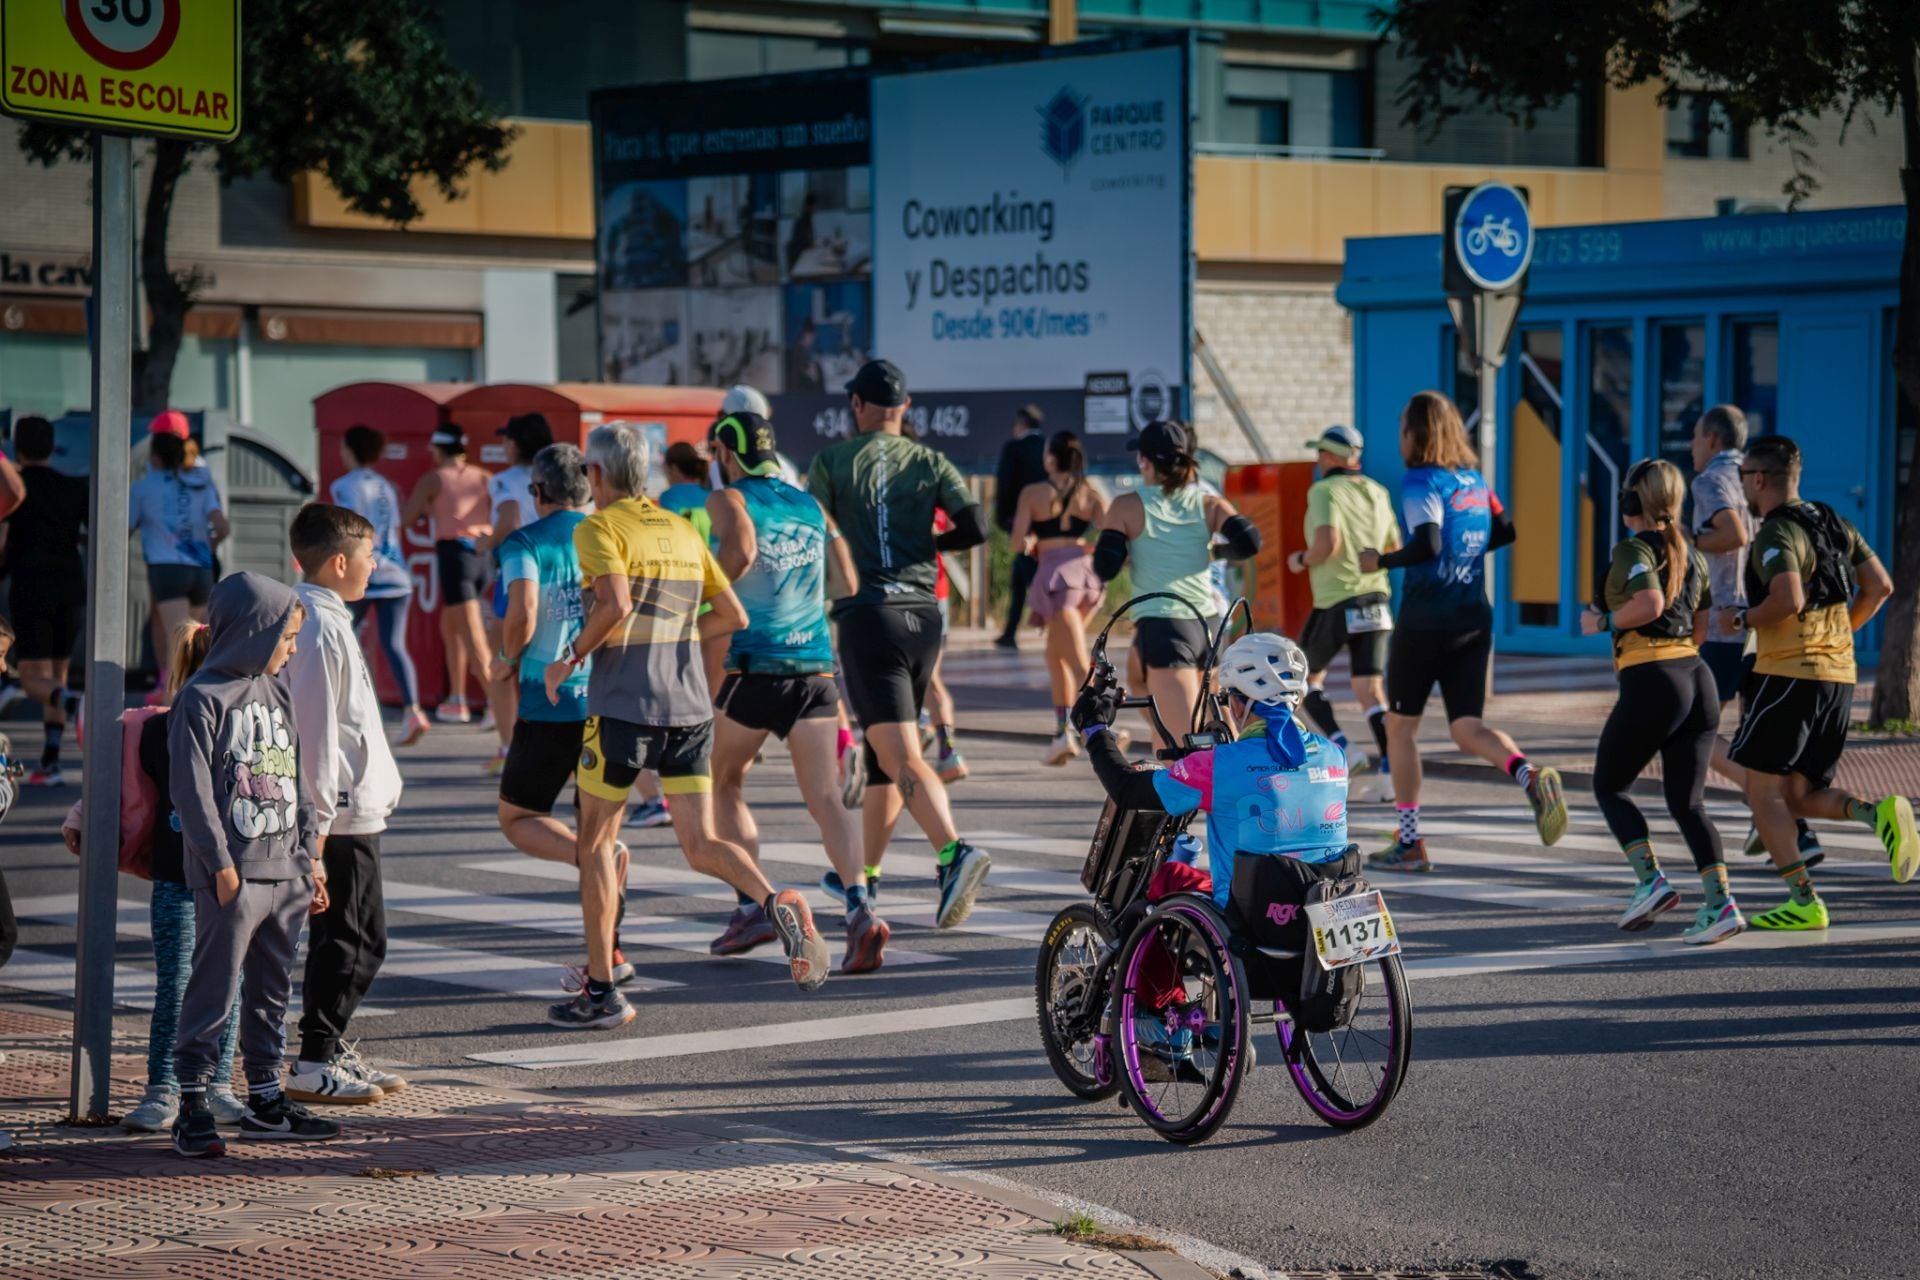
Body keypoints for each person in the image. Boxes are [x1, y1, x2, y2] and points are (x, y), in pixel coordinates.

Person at [542, 423, 830, 1031]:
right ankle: (776, 900)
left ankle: (600, 992)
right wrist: (671, 635)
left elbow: (614, 605)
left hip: (622, 708)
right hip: (690, 711)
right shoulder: (680, 526)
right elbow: (732, 613)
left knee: (594, 844)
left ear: (594, 475)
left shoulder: (598, 528)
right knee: (700, 845)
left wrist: (568, 659)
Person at [806, 360, 992, 928]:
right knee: (886, 757)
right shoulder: (930, 460)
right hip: (922, 615)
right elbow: (978, 527)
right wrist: (932, 544)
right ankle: (863, 874)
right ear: (905, 408)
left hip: (869, 616)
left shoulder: (833, 461)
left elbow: (814, 532)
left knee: (901, 754)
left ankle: (953, 851)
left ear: (858, 406)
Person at [703, 411, 886, 971]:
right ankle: (860, 909)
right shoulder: (808, 504)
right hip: (815, 667)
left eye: (717, 453)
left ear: (728, 455)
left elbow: (738, 554)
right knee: (826, 798)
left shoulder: (728, 500)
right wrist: (799, 595)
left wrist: (703, 604)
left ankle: (750, 906)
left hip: (757, 665)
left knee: (722, 778)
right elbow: (848, 582)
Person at [1358, 392, 1568, 871]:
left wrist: (1381, 561)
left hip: (1425, 622)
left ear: (1415, 433)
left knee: (1399, 728)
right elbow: (1506, 530)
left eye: (1402, 429)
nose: (1400, 438)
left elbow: (1428, 543)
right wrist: (1464, 557)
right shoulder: (1474, 481)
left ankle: (1410, 842)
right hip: (1473, 618)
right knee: (1465, 726)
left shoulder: (1419, 482)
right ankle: (1528, 774)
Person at [167, 573, 334, 1158]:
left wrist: (311, 856)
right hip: (232, 875)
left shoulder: (277, 691)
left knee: (271, 993)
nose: (291, 650)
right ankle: (192, 1102)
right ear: (254, 631)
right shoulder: (200, 698)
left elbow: (296, 778)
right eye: (286, 637)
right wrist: (218, 865)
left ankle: (265, 1097)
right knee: (213, 991)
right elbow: (190, 792)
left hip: (285, 870)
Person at [1719, 435, 1913, 927]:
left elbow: (1788, 600)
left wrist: (1741, 620)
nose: (1743, 486)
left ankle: (1804, 902)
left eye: (1744, 478)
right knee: (1798, 796)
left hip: (1788, 675)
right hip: (1838, 676)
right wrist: (1841, 634)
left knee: (1762, 794)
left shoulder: (1774, 532)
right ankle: (1879, 814)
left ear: (1758, 479)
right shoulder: (1833, 520)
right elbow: (1881, 587)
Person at [63, 623, 246, 1135]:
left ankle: (217, 1086)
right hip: (178, 878)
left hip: (235, 879)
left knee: (231, 984)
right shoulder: (155, 730)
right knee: (181, 985)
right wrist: (81, 818)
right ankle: (164, 1087)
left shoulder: (250, 723)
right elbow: (117, 784)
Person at [488, 444, 640, 986]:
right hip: (607, 698)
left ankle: (589, 859)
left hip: (545, 701)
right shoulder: (607, 534)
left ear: (536, 493)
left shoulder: (524, 541)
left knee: (518, 817)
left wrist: (506, 661)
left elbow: (523, 611)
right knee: (599, 833)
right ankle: (610, 955)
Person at [1578, 461, 1739, 942]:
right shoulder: (1692, 552)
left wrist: (1603, 622)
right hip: (1696, 676)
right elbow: (1701, 626)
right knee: (1689, 804)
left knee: (1610, 785)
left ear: (1634, 501)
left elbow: (1648, 603)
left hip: (1655, 679)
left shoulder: (1632, 549)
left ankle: (1650, 880)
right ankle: (1721, 904)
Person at [1071, 631, 1348, 910]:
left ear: (1238, 704)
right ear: (1297, 701)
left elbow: (1126, 789)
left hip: (1250, 916)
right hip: (1324, 905)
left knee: (1161, 883)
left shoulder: (1218, 765)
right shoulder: (1334, 756)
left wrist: (1095, 731)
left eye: (1227, 699)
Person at [285, 505, 406, 1104]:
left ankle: (327, 1050)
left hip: (351, 808)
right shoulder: (318, 627)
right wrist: (318, 833)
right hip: (340, 812)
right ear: (338, 562)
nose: (373, 563)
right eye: (367, 554)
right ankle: (313, 1062)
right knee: (355, 941)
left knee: (354, 938)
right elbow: (315, 732)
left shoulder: (325, 619)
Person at [1688, 406, 1824, 866]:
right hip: (1761, 623)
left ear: (1710, 439)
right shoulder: (1755, 475)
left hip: (1728, 623)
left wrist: (1690, 541)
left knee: (1695, 729)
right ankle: (1789, 829)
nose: (1691, 448)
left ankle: (1776, 812)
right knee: (1750, 736)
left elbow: (1733, 533)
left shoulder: (1709, 481)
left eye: (1693, 438)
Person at [1094, 420, 1262, 752]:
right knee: (1141, 683)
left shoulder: (1127, 505)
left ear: (1144, 461)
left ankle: (1225, 790)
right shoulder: (1207, 503)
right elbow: (1250, 542)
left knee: (1178, 745)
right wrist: (1216, 551)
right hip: (1208, 623)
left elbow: (1104, 567)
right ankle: (1232, 768)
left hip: (1164, 623)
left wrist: (1130, 549)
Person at [1286, 424, 1398, 796]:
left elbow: (1327, 544)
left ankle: (1344, 747)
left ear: (1331, 457)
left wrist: (1301, 559)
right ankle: (1390, 775)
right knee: (1370, 689)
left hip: (1336, 599)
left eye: (1321, 453)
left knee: (1298, 681)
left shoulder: (1323, 491)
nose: (1318, 461)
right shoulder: (1378, 491)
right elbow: (1393, 544)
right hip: (1377, 599)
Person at [1011, 430, 1111, 766]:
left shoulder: (1034, 493)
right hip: (1086, 575)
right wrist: (1085, 545)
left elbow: (1015, 542)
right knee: (1056, 657)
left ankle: (1106, 724)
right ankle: (1062, 732)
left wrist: (1031, 542)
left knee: (1078, 659)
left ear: (1050, 458)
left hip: (1056, 578)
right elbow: (1112, 531)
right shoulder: (1090, 492)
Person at [331, 425, 429, 747]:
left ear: (351, 450)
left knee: (340, 639)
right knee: (394, 645)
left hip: (364, 574)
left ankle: (348, 711)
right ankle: (413, 710)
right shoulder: (386, 485)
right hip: (397, 574)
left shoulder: (343, 486)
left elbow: (350, 532)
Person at [5, 415, 88, 785]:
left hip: (31, 587)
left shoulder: (15, 491)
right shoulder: (73, 487)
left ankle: (75, 705)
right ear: (53, 446)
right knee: (58, 675)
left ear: (16, 448)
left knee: (29, 678)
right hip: (71, 588)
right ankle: (50, 761)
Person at [402, 425, 493, 726]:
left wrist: (428, 507)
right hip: (482, 557)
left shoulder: (433, 479)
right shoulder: (484, 476)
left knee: (473, 634)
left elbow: (407, 518)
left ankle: (496, 703)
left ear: (438, 451)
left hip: (455, 556)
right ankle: (458, 698)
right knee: (451, 627)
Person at [480, 414, 555, 772]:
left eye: (507, 439)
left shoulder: (505, 480)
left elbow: (508, 523)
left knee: (501, 662)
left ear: (516, 443)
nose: (504, 445)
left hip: (516, 574)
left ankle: (510, 744)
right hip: (556, 574)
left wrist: (485, 542)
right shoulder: (556, 475)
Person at [130, 412, 230, 682]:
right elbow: (222, 528)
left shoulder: (142, 487)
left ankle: (170, 699)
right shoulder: (201, 482)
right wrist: (207, 546)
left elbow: (125, 529)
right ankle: (181, 689)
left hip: (165, 569)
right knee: (196, 641)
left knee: (179, 647)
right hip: (201, 569)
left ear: (156, 455)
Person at [994, 404, 1049, 648]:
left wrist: (1003, 519)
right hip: (1049, 523)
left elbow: (1005, 486)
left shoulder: (1014, 448)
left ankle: (1053, 621)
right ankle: (1010, 632)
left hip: (1023, 523)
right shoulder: (1049, 447)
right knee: (1019, 576)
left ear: (1020, 425)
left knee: (1029, 575)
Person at [658, 441, 714, 543]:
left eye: (664, 468)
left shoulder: (668, 497)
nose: (664, 473)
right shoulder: (712, 495)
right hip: (709, 556)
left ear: (674, 468)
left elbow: (669, 537)